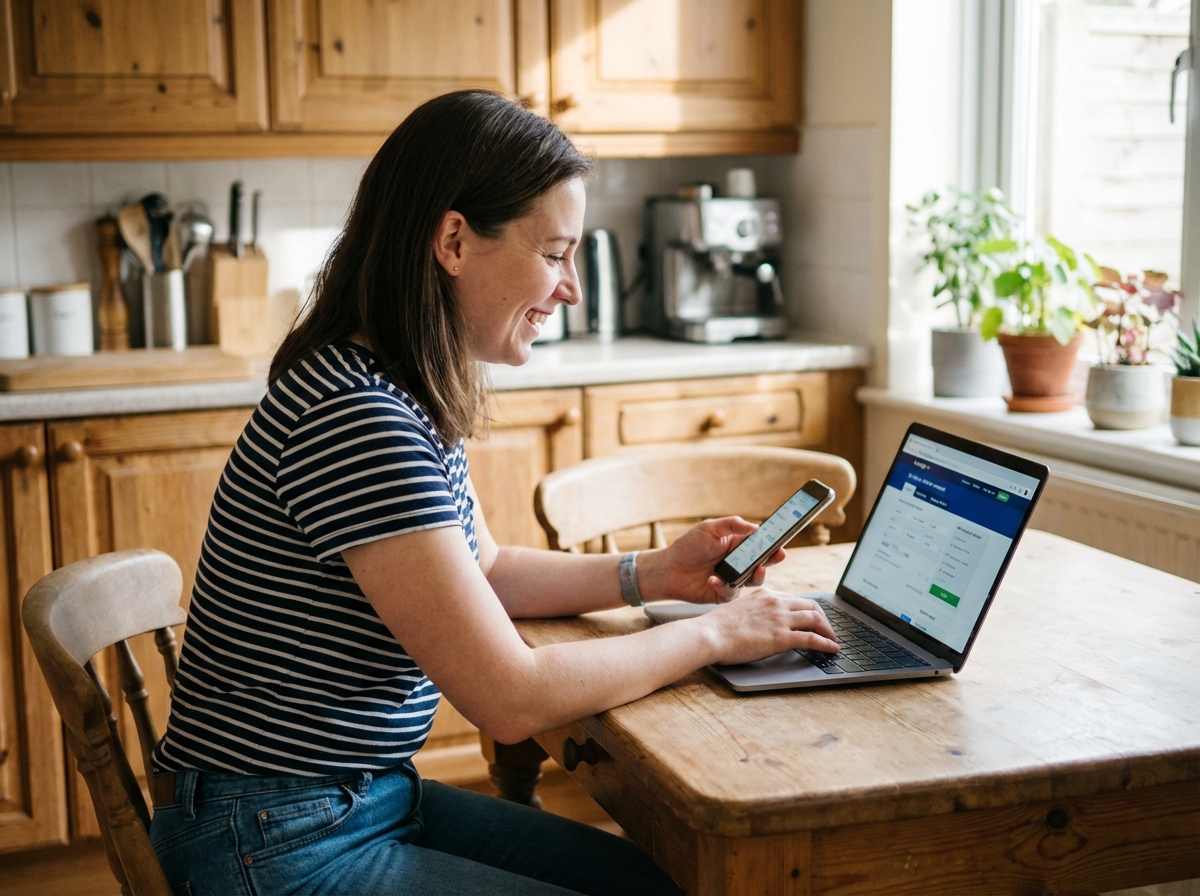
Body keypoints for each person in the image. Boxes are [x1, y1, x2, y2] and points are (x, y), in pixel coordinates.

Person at [147, 90, 839, 896]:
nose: (570, 288)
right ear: (453, 241)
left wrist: (652, 572)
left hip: (349, 799)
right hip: (275, 837)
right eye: (554, 254)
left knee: (664, 879)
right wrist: (717, 635)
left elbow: (485, 567)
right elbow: (510, 700)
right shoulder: (357, 418)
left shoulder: (392, 385)